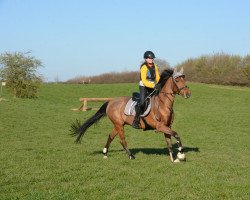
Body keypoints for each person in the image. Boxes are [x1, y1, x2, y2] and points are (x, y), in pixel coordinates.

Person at [132, 51, 160, 129]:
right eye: (149, 58)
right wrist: (153, 85)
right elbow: (144, 80)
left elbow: (157, 77)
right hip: (144, 86)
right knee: (142, 102)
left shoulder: (155, 66)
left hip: (153, 85)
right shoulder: (144, 67)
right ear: (145, 59)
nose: (151, 59)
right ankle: (136, 121)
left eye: (152, 58)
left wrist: (160, 83)